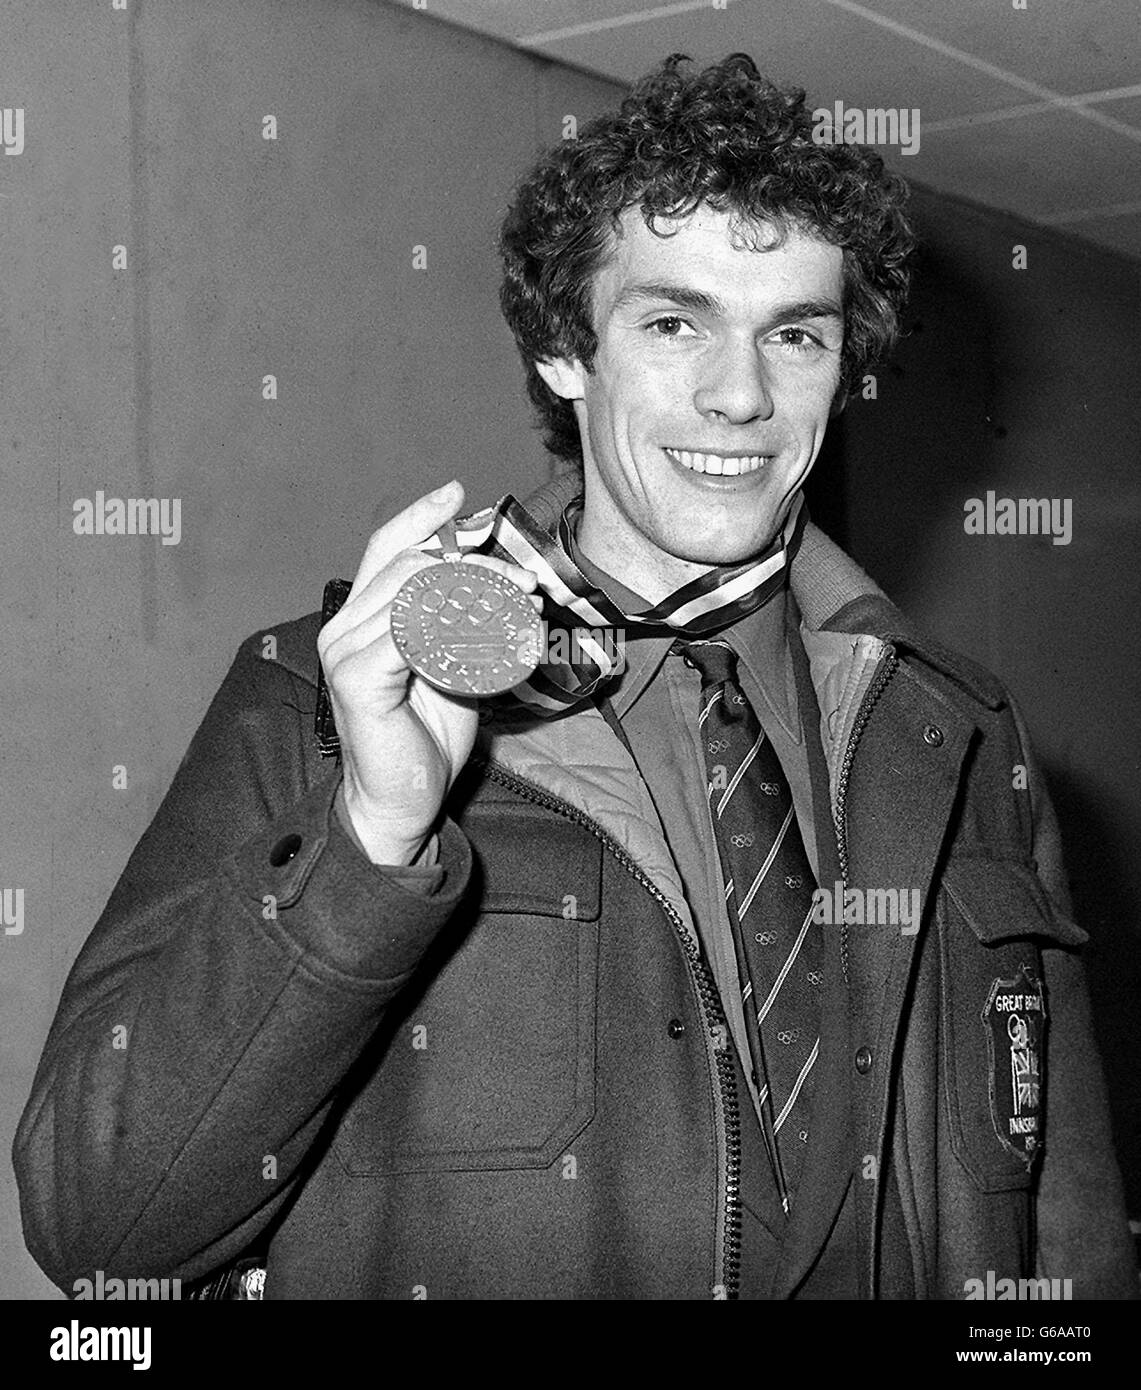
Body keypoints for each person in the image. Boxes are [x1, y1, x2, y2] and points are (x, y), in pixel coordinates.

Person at [14, 52, 1136, 1301]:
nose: (740, 395)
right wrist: (374, 836)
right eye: (673, 324)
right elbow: (101, 1219)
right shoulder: (321, 702)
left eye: (795, 335)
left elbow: (1062, 1239)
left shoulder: (959, 730)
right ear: (563, 350)